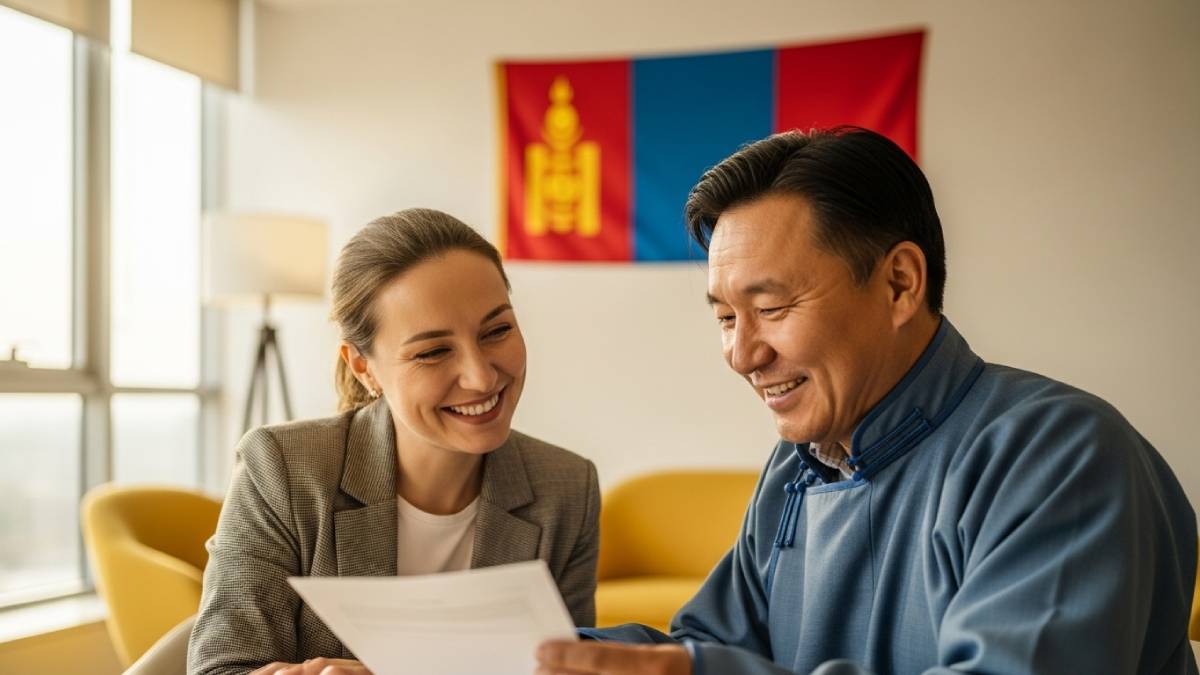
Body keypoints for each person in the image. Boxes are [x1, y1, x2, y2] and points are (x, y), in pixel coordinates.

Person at [536, 128, 1197, 675]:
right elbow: (714, 644)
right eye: (726, 317)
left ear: (901, 284)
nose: (741, 354)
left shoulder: (1061, 455)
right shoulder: (799, 466)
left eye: (769, 308)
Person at [189, 208, 600, 675]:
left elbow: (573, 668)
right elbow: (221, 668)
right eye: (432, 352)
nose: (482, 376)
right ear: (364, 367)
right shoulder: (284, 470)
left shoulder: (567, 488)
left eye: (497, 330)